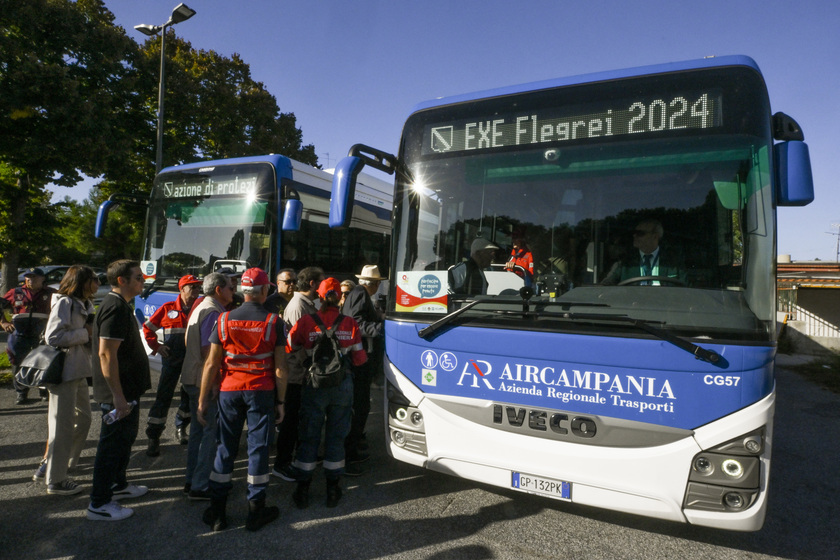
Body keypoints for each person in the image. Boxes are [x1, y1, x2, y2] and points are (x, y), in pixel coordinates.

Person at [197, 268, 289, 532]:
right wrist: (280, 401)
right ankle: (255, 512)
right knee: (258, 448)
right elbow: (281, 368)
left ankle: (217, 514)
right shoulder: (274, 322)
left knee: (225, 446)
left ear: (243, 291)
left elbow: (211, 364)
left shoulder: (224, 319)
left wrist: (203, 399)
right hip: (261, 391)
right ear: (264, 291)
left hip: (229, 391)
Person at [288, 278, 366, 509]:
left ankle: (302, 490)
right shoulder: (350, 323)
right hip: (342, 385)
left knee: (309, 435)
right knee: (336, 436)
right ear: (339, 298)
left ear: (319, 297)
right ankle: (332, 489)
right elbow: (360, 360)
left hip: (314, 385)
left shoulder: (306, 321)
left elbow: (290, 344)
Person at [87, 260, 152, 522]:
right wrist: (117, 396)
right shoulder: (114, 307)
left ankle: (118, 485)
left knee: (124, 441)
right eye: (138, 277)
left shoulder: (121, 305)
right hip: (118, 392)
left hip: (127, 390)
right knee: (111, 446)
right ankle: (99, 503)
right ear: (121, 281)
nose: (142, 281)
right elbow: (106, 354)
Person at [42, 266, 98, 496]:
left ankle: (55, 464)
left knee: (84, 420)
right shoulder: (65, 302)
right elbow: (53, 336)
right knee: (61, 426)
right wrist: (86, 333)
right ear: (82, 282)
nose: (97, 282)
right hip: (64, 371)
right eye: (93, 279)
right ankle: (56, 479)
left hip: (79, 370)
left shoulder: (85, 303)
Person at [180, 272, 234, 500]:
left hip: (192, 377)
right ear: (219, 290)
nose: (234, 291)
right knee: (209, 434)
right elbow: (207, 351)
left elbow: (188, 342)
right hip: (203, 380)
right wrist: (213, 382)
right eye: (231, 287)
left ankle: (192, 480)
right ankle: (200, 485)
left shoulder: (201, 306)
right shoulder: (213, 312)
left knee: (197, 432)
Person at [271, 266, 324, 481]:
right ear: (312, 284)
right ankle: (282, 463)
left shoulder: (305, 304)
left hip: (300, 372)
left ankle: (298, 455)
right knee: (290, 421)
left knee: (298, 419)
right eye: (320, 282)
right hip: (295, 375)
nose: (322, 287)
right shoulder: (298, 307)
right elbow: (295, 345)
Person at [142, 274, 202, 456]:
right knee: (163, 397)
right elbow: (148, 328)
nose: (196, 291)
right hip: (171, 361)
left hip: (192, 362)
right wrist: (157, 347)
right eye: (192, 288)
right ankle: (154, 436)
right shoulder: (167, 309)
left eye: (198, 288)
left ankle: (181, 428)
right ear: (182, 289)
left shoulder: (201, 308)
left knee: (187, 397)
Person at [342, 264, 386, 475]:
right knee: (360, 405)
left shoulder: (357, 293)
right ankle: (350, 451)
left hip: (357, 357)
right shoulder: (360, 293)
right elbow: (356, 323)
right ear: (375, 284)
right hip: (360, 358)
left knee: (359, 404)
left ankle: (352, 446)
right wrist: (379, 327)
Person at [1, 267, 57, 404]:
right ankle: (21, 393)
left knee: (43, 362)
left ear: (42, 279)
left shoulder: (51, 293)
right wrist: (3, 322)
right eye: (28, 277)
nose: (30, 280)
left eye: (34, 277)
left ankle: (44, 392)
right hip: (19, 333)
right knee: (18, 362)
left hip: (42, 333)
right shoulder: (16, 292)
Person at [601, 219, 686, 286]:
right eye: (634, 233)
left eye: (640, 233)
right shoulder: (625, 262)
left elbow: (686, 290)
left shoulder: (673, 261)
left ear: (655, 236)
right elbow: (606, 285)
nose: (634, 236)